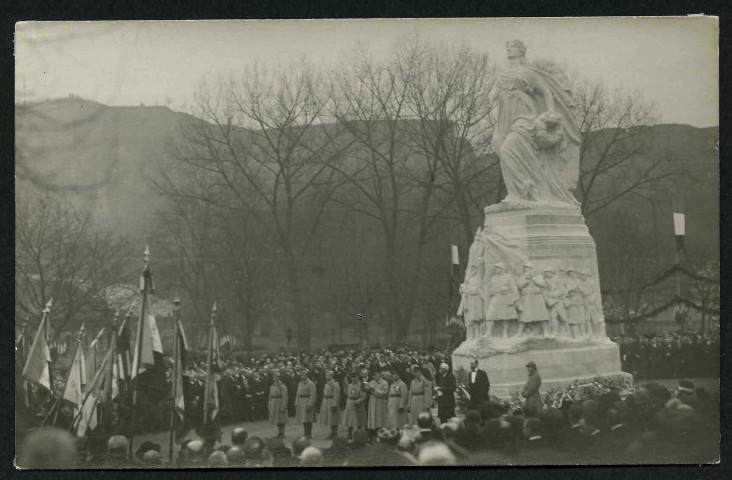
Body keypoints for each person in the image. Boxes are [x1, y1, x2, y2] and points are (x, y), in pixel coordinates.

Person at [491, 39, 581, 208]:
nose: (509, 49)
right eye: (507, 47)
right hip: (504, 120)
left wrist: (550, 113)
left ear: (522, 50)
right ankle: (521, 193)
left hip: (524, 116)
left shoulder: (528, 73)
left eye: (513, 46)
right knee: (514, 154)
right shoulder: (502, 76)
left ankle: (522, 191)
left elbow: (546, 92)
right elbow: (492, 96)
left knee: (507, 150)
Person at [484, 263, 520, 338]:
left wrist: (515, 300)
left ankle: (505, 333)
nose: (496, 270)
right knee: (490, 315)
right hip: (496, 298)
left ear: (502, 269)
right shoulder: (493, 278)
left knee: (505, 316)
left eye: (497, 268)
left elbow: (514, 289)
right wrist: (489, 290)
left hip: (505, 298)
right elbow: (490, 288)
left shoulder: (509, 278)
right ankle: (489, 332)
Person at [516, 262, 550, 337]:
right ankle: (519, 332)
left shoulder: (538, 276)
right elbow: (519, 286)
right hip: (526, 299)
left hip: (537, 298)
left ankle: (545, 332)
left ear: (531, 269)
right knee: (523, 316)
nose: (526, 269)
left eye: (528, 268)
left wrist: (533, 278)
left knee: (542, 316)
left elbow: (542, 284)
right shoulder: (522, 277)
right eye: (525, 268)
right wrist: (527, 281)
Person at [458, 264, 486, 340]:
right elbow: (465, 291)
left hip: (478, 299)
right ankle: (476, 334)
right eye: (472, 269)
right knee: (473, 318)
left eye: (475, 269)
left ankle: (481, 333)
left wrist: (475, 291)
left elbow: (480, 288)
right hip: (471, 300)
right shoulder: (468, 281)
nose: (473, 271)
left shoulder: (479, 278)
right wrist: (467, 290)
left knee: (479, 317)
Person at [543, 266, 568, 335]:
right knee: (553, 316)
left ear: (552, 273)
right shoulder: (548, 280)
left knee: (563, 317)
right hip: (552, 301)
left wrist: (554, 295)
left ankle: (568, 331)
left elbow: (562, 290)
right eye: (546, 273)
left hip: (558, 301)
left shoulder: (557, 279)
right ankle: (555, 332)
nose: (546, 274)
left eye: (547, 272)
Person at [342, 373, 367, 439]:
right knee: (350, 420)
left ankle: (360, 435)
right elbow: (348, 395)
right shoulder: (350, 385)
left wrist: (357, 402)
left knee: (359, 421)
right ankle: (349, 434)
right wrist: (348, 402)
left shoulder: (362, 385)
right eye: (352, 377)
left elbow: (364, 396)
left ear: (358, 377)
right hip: (350, 403)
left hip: (359, 404)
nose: (353, 378)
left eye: (355, 377)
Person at [318, 369, 342, 439]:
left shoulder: (334, 384)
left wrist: (334, 405)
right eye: (327, 375)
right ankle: (332, 432)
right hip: (326, 401)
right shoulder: (326, 383)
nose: (328, 376)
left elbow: (337, 395)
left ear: (332, 376)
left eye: (330, 375)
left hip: (331, 402)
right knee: (330, 419)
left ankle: (335, 433)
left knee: (334, 418)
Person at [296, 368, 318, 439]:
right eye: (300, 376)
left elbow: (313, 395)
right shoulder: (300, 383)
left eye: (303, 376)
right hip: (301, 402)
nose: (301, 377)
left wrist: (310, 404)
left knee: (308, 419)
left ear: (306, 375)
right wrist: (296, 402)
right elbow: (298, 393)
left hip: (307, 401)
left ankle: (309, 433)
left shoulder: (311, 384)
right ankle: (305, 433)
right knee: (303, 419)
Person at [366, 371, 389, 436]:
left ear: (379, 375)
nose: (374, 377)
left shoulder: (384, 383)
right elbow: (367, 390)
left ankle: (381, 430)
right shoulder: (371, 382)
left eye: (376, 375)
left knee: (380, 415)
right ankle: (373, 430)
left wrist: (374, 390)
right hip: (372, 401)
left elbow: (384, 393)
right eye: (373, 375)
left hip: (380, 401)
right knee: (373, 415)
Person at [268, 370, 288, 439]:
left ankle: (282, 433)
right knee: (277, 419)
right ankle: (279, 433)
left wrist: (283, 406)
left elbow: (285, 396)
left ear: (279, 378)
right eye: (274, 377)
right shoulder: (272, 386)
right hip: (274, 403)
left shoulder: (282, 386)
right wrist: (269, 405)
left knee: (281, 419)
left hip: (279, 402)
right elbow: (270, 396)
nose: (275, 379)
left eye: (276, 377)